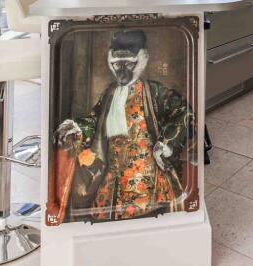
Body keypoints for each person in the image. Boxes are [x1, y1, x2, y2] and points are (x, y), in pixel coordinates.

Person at [55, 30, 193, 221]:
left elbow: (185, 112)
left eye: (128, 64)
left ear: (142, 59)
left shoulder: (154, 91)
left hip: (147, 181)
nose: (121, 70)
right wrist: (77, 127)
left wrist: (166, 144)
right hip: (111, 178)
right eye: (116, 64)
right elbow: (95, 119)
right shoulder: (110, 92)